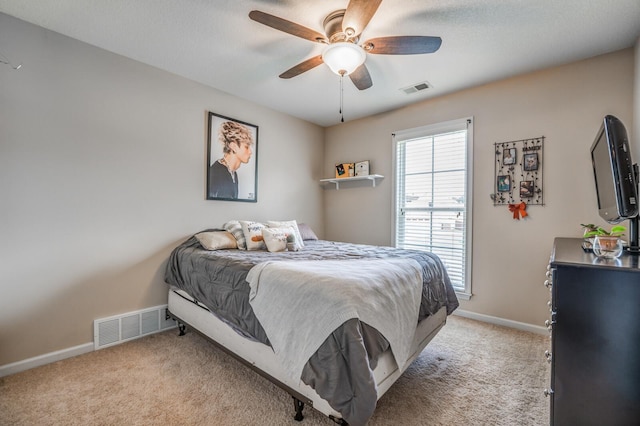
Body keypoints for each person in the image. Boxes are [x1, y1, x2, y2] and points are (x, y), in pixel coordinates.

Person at [208, 121, 254, 199]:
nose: (250, 152)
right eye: (246, 147)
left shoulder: (233, 173)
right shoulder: (218, 173)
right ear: (233, 146)